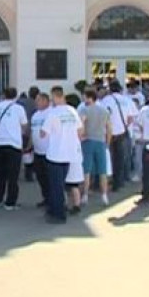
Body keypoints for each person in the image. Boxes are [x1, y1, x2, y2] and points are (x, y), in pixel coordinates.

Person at [41, 88, 83, 224]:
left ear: (54, 97)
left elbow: (43, 132)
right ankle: (55, 209)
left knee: (56, 186)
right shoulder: (72, 111)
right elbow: (80, 130)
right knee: (61, 184)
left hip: (55, 154)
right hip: (69, 154)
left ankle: (58, 213)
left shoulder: (53, 113)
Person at [0, 87, 29, 210]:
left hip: (0, 142)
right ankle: (10, 201)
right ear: (16, 96)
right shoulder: (18, 108)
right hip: (14, 143)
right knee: (13, 174)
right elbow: (24, 126)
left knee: (2, 172)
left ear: (4, 95)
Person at [80, 88, 111, 206]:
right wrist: (107, 142)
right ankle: (104, 195)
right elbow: (109, 128)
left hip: (88, 141)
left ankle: (85, 194)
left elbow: (82, 123)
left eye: (84, 96)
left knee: (86, 170)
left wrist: (81, 136)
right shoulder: (104, 110)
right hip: (101, 141)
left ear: (89, 97)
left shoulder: (84, 109)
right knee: (103, 170)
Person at [103, 82, 137, 191]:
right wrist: (125, 126)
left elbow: (104, 117)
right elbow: (131, 117)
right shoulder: (127, 100)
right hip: (123, 132)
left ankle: (110, 179)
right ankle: (120, 181)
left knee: (110, 158)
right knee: (121, 158)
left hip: (109, 132)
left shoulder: (106, 100)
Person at [29, 93, 51, 208]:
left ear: (45, 101)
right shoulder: (35, 115)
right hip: (37, 151)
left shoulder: (51, 113)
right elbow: (33, 132)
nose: (36, 103)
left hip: (49, 151)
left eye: (38, 100)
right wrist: (29, 146)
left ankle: (53, 199)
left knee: (49, 177)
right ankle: (46, 197)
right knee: (40, 176)